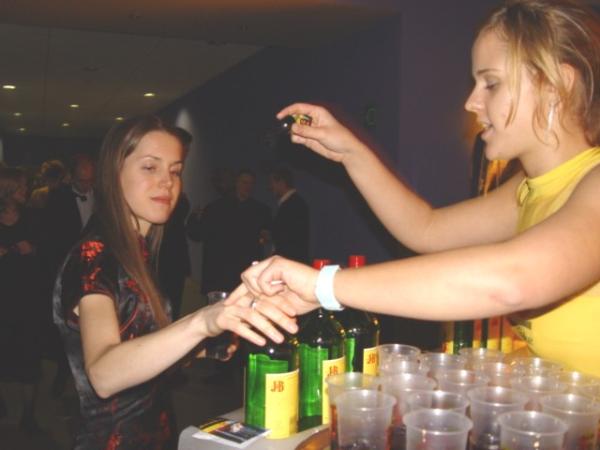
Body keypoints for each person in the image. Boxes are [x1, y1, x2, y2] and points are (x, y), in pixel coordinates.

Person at [234, 0, 600, 377]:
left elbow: (513, 280)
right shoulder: (527, 188)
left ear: (557, 85)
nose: (471, 102)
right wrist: (352, 153)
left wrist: (324, 285)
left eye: (491, 83)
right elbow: (426, 229)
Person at [52, 116, 296, 450]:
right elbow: (104, 375)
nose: (167, 181)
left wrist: (200, 346)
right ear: (113, 173)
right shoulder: (95, 254)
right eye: (150, 167)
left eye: (175, 171)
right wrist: (201, 322)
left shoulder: (136, 251)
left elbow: (141, 351)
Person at [0, 167, 45, 432]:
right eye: (21, 187)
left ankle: (29, 413)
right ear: (7, 190)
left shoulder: (33, 216)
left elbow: (50, 253)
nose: (26, 191)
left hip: (28, 297)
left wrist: (34, 249)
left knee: (29, 353)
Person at [186, 169, 271, 294]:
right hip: (220, 275)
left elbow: (266, 238)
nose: (248, 187)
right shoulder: (216, 208)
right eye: (244, 182)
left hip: (244, 276)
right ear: (236, 183)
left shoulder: (261, 211)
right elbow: (198, 234)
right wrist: (194, 219)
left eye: (251, 183)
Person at [268, 166, 310, 263]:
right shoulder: (296, 203)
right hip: (292, 262)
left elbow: (288, 239)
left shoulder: (293, 205)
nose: (270, 187)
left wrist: (271, 235)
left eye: (272, 183)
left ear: (281, 182)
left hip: (290, 263)